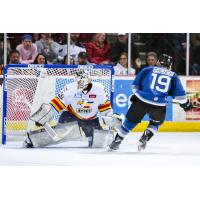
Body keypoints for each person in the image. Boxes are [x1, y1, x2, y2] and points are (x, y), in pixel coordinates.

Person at [109, 54, 194, 151]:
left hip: (141, 101)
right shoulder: (173, 76)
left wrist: (138, 95)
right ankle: (146, 135)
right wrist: (186, 105)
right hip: (158, 106)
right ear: (170, 65)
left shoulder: (147, 70)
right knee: (155, 123)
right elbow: (181, 97)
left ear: (158, 62)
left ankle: (117, 141)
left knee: (130, 122)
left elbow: (134, 87)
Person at [23, 70, 121, 148]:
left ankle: (92, 136)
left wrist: (111, 118)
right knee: (59, 134)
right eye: (78, 82)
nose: (80, 85)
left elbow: (106, 110)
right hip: (70, 116)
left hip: (91, 119)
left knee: (99, 141)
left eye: (82, 82)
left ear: (89, 81)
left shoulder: (99, 89)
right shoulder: (69, 88)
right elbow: (55, 105)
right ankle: (32, 139)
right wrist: (43, 117)